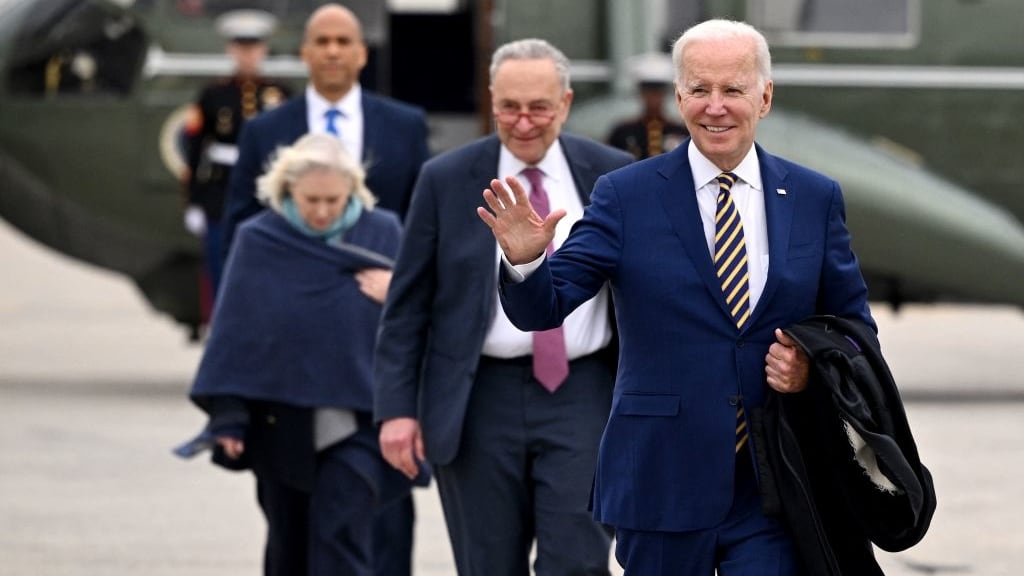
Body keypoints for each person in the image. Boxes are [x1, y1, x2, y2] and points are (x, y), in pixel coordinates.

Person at [478, 19, 877, 576]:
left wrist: (812, 364)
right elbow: (545, 306)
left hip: (778, 481)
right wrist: (525, 261)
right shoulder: (626, 194)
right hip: (661, 477)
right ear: (680, 95)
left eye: (732, 90)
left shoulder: (814, 197)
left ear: (764, 97)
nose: (714, 106)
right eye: (699, 89)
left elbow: (854, 330)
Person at [374, 38, 632, 576]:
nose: (523, 122)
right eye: (509, 107)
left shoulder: (613, 175)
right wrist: (397, 410)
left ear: (565, 102)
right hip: (477, 396)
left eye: (538, 107)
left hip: (583, 394)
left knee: (578, 561)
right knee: (487, 563)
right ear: (492, 101)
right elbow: (407, 306)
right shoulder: (444, 179)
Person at [219, 6, 429, 574]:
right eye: (322, 41)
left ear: (362, 53)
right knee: (293, 522)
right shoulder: (265, 129)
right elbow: (239, 230)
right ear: (305, 53)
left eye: (344, 41)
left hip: (372, 358)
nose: (334, 51)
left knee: (379, 508)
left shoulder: (404, 126)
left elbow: (425, 229)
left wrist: (406, 292)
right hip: (288, 368)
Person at [187, 133, 414, 576]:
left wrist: (397, 292)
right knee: (288, 545)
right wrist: (229, 417)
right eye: (311, 199)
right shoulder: (259, 238)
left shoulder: (383, 232)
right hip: (281, 419)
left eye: (334, 198)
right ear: (286, 189)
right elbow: (236, 333)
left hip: (362, 418)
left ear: (353, 189)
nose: (323, 211)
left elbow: (422, 318)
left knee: (341, 532)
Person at [181, 9, 290, 302]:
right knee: (221, 267)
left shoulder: (281, 93)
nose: (248, 55)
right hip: (222, 191)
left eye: (253, 48)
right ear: (231, 50)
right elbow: (194, 150)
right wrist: (194, 200)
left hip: (267, 191)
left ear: (263, 50)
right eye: (241, 48)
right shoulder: (213, 94)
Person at [606, 52, 689, 159]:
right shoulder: (622, 132)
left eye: (658, 92)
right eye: (648, 91)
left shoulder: (680, 131)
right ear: (641, 94)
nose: (653, 98)